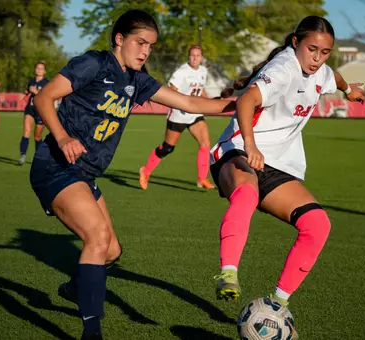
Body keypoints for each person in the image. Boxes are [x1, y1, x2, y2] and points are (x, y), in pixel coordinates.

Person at [30, 9, 235, 340]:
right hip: (56, 166)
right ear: (120, 39)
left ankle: (75, 288)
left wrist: (244, 104)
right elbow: (44, 98)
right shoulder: (93, 64)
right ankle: (91, 331)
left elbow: (188, 103)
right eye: (140, 43)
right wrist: (63, 137)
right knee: (97, 237)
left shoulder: (136, 80)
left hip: (85, 174)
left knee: (111, 252)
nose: (145, 51)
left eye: (151, 46)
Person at [210, 16, 364, 308]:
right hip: (238, 150)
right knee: (247, 191)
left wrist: (349, 90)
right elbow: (245, 102)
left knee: (317, 224)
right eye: (311, 49)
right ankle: (228, 273)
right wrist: (251, 146)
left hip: (276, 164)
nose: (317, 58)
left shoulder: (322, 71)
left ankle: (276, 305)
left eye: (325, 52)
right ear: (296, 43)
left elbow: (335, 78)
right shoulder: (283, 68)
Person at [139, 45, 217, 190]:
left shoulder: (203, 71)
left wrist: (211, 101)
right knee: (167, 148)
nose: (195, 58)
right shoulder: (182, 72)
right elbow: (172, 90)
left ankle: (202, 178)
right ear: (188, 57)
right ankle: (146, 171)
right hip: (178, 115)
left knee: (205, 144)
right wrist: (180, 105)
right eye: (192, 55)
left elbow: (200, 90)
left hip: (194, 114)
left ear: (201, 57)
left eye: (198, 55)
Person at [18, 61, 50, 165]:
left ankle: (38, 157)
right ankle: (22, 155)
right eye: (37, 68)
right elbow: (28, 90)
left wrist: (36, 92)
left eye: (41, 68)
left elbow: (47, 97)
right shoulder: (31, 81)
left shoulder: (46, 83)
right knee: (26, 131)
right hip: (30, 108)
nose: (39, 70)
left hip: (41, 110)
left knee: (37, 137)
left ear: (44, 71)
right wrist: (26, 92)